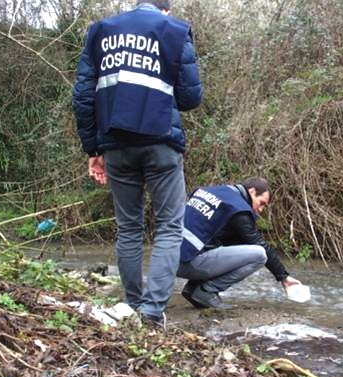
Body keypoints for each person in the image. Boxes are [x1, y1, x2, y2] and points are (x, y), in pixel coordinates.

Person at [72, 0, 202, 328]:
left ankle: (131, 304)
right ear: (166, 10)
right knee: (170, 226)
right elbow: (190, 98)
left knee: (129, 227)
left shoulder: (100, 32)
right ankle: (152, 313)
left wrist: (93, 148)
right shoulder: (175, 31)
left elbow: (83, 97)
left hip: (114, 144)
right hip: (161, 142)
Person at [178, 178, 303, 309]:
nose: (261, 209)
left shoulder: (209, 192)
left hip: (166, 257)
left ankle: (193, 288)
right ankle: (206, 291)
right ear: (252, 191)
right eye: (261, 203)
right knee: (259, 255)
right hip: (185, 264)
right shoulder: (238, 209)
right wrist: (284, 277)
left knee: (229, 246)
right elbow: (259, 245)